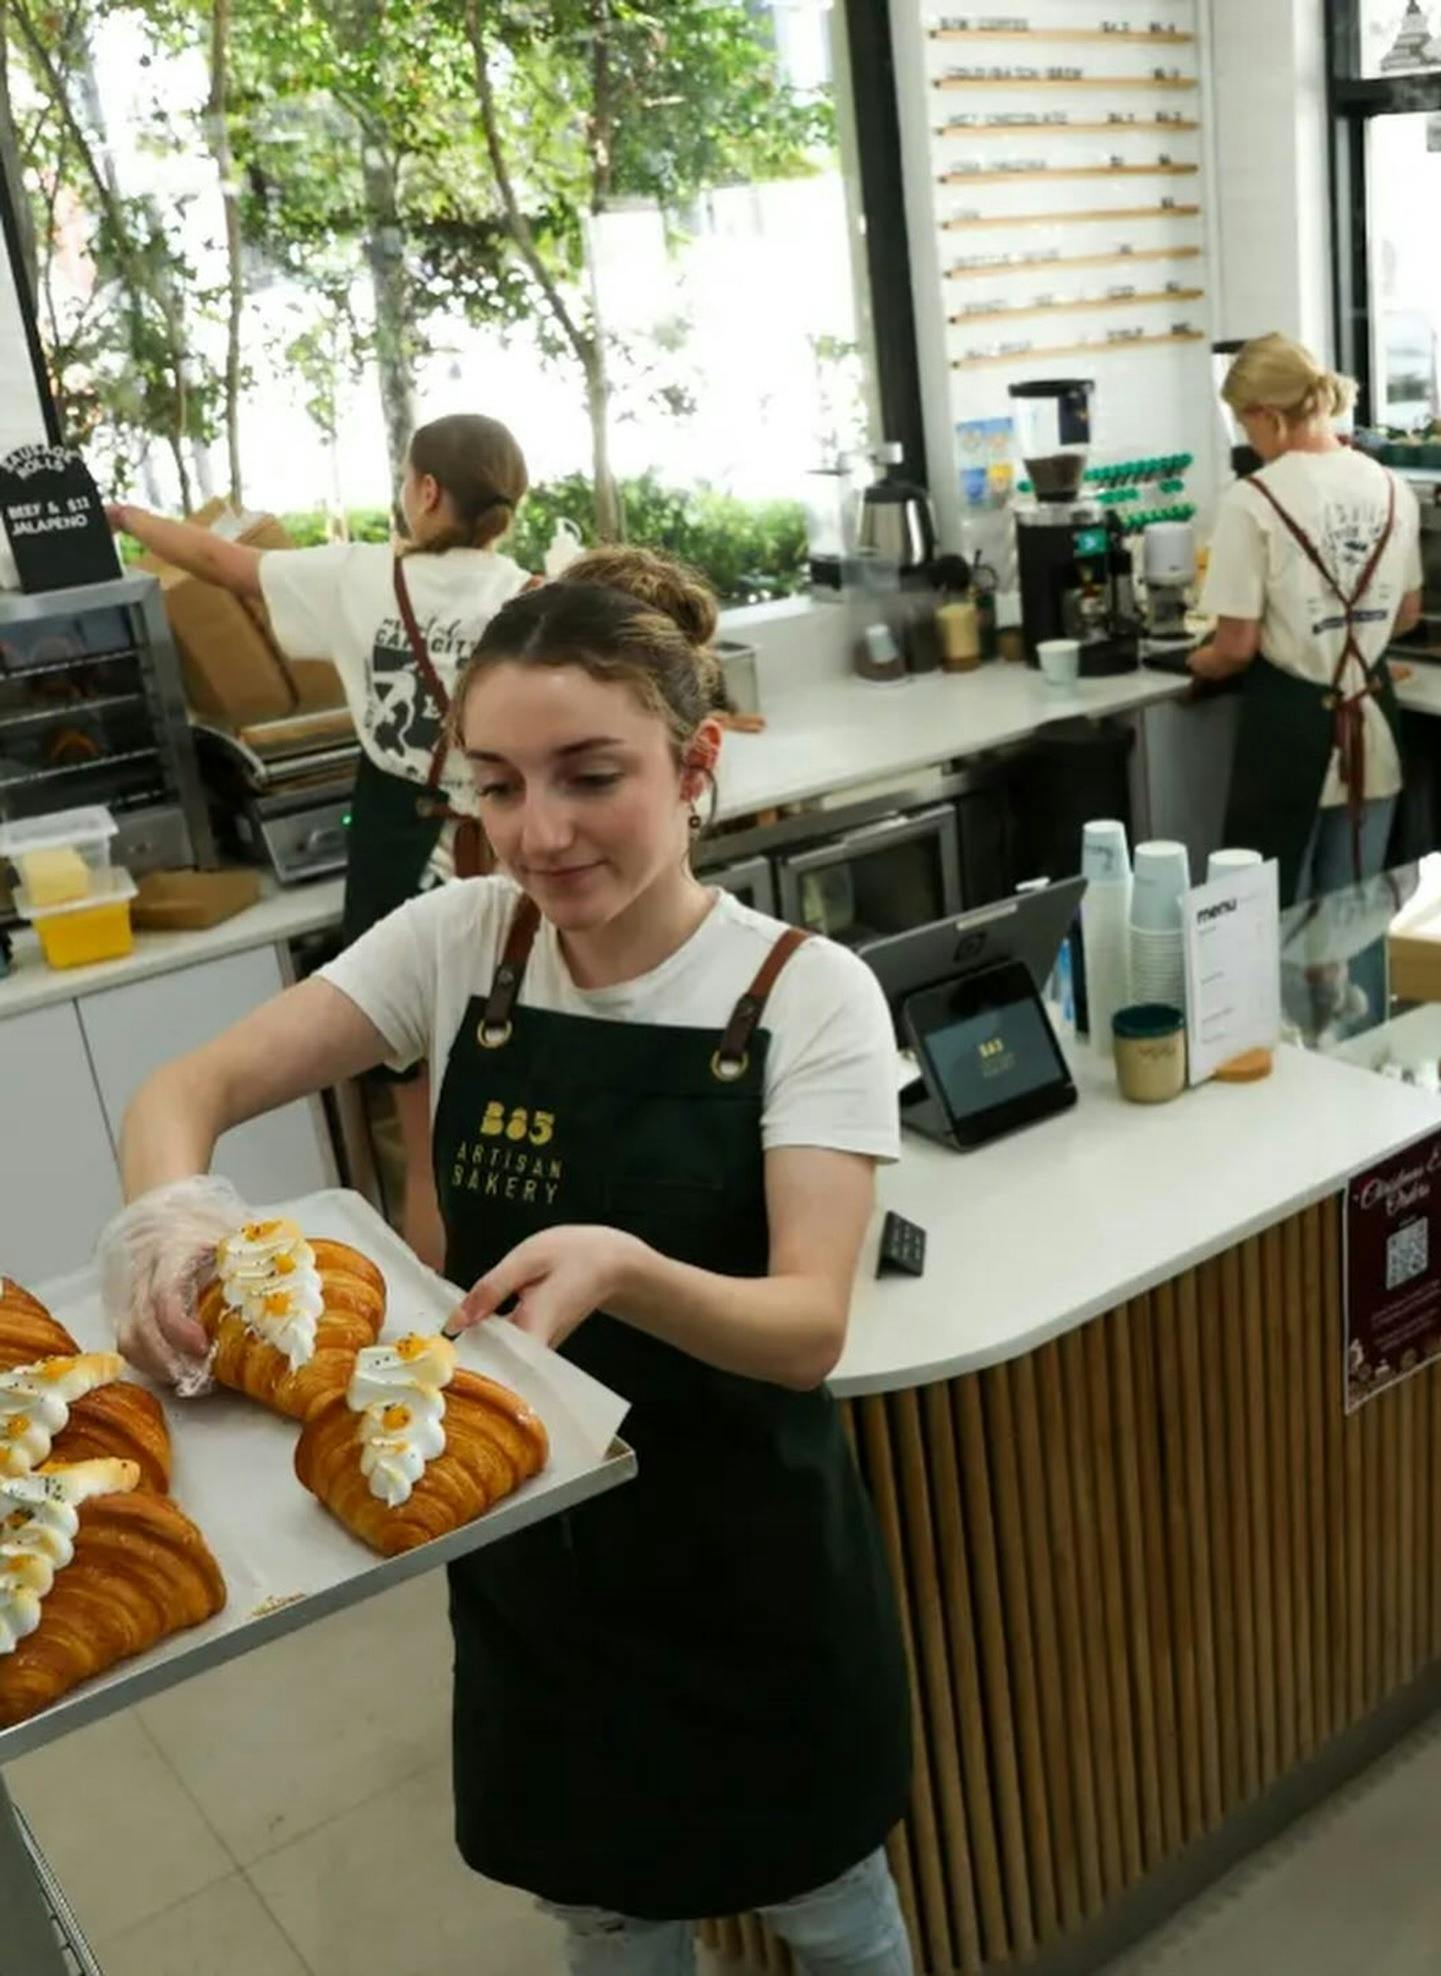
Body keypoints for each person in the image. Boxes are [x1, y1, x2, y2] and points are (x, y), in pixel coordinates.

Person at [104, 575, 915, 1974]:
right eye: (498, 785)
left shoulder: (804, 993)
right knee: (611, 1923)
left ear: (695, 766)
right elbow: (197, 1081)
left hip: (747, 1567)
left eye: (591, 777)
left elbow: (804, 1330)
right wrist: (171, 1220)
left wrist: (629, 1268)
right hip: (531, 1567)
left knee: (832, 1914)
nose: (538, 833)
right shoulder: (459, 944)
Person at [108, 415, 532, 1269]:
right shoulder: (530, 596)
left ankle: (438, 1333)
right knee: (516, 1105)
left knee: (421, 1130)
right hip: (499, 847)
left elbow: (225, 566)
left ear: (425, 492)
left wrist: (129, 519)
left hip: (393, 848)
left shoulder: (358, 575)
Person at [1190, 333, 1425, 905]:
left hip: (1288, 739)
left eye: (1247, 427)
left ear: (1267, 415)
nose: (1250, 442)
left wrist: (1195, 659)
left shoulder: (1253, 499)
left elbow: (1236, 646)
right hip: (1373, 734)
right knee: (1353, 920)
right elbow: (1408, 615)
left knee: (1266, 928)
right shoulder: (1393, 487)